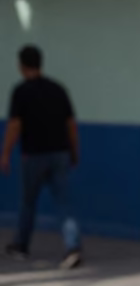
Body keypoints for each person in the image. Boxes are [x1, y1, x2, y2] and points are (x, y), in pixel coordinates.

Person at [0, 44, 82, 268]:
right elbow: (70, 124)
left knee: (28, 202)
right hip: (60, 153)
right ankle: (72, 247)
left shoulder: (21, 91)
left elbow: (15, 125)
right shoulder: (58, 89)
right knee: (64, 202)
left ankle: (21, 245)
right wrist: (74, 151)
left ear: (21, 66)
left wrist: (5, 153)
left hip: (33, 155)